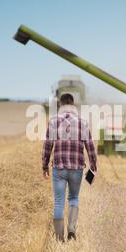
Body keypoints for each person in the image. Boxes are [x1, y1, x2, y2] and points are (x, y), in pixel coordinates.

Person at [42, 93, 97, 242]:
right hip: (76, 168)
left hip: (58, 167)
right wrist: (93, 165)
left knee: (59, 201)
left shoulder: (53, 122)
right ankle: (72, 229)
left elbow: (47, 145)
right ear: (73, 105)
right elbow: (90, 146)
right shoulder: (82, 123)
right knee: (73, 198)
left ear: (60, 105)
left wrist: (44, 165)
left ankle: (59, 238)